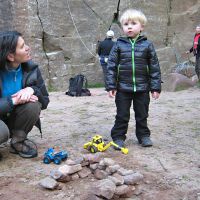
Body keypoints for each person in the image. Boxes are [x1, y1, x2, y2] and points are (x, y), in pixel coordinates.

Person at [106, 9, 161, 148]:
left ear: (141, 27)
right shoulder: (118, 45)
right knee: (122, 115)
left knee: (142, 114)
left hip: (142, 88)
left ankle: (143, 136)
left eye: (133, 23)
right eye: (125, 24)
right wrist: (111, 86)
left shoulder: (147, 45)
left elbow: (154, 67)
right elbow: (111, 66)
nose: (129, 26)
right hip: (123, 88)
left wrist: (155, 87)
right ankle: (118, 137)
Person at [0, 31, 49, 159]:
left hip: (13, 118)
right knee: (1, 132)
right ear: (10, 56)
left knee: (33, 103)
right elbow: (11, 102)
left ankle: (18, 142)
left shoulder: (31, 69)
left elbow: (45, 102)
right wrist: (12, 101)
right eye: (22, 47)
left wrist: (33, 90)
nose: (28, 48)